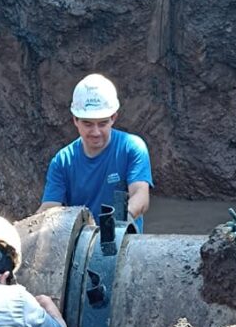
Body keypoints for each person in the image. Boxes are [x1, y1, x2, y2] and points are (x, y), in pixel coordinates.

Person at [38, 73, 153, 230]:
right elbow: (49, 209)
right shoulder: (62, 161)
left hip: (124, 242)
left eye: (102, 123)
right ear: (75, 120)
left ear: (113, 117)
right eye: (88, 124)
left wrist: (114, 224)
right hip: (80, 247)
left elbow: (140, 196)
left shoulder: (131, 148)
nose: (96, 132)